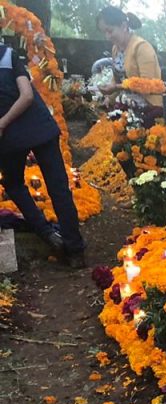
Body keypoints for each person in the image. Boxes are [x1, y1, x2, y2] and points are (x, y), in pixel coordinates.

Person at [0, 42, 86, 268]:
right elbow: (27, 95)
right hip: (40, 129)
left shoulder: (8, 56)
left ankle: (47, 233)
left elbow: (26, 96)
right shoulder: (9, 56)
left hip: (10, 137)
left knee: (14, 184)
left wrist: (3, 122)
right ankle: (75, 250)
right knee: (58, 187)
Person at [95, 6, 162, 107]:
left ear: (124, 26)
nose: (107, 36)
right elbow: (117, 79)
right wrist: (109, 97)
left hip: (150, 108)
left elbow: (147, 85)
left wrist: (116, 87)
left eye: (110, 31)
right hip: (127, 105)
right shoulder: (115, 49)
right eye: (104, 32)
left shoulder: (141, 47)